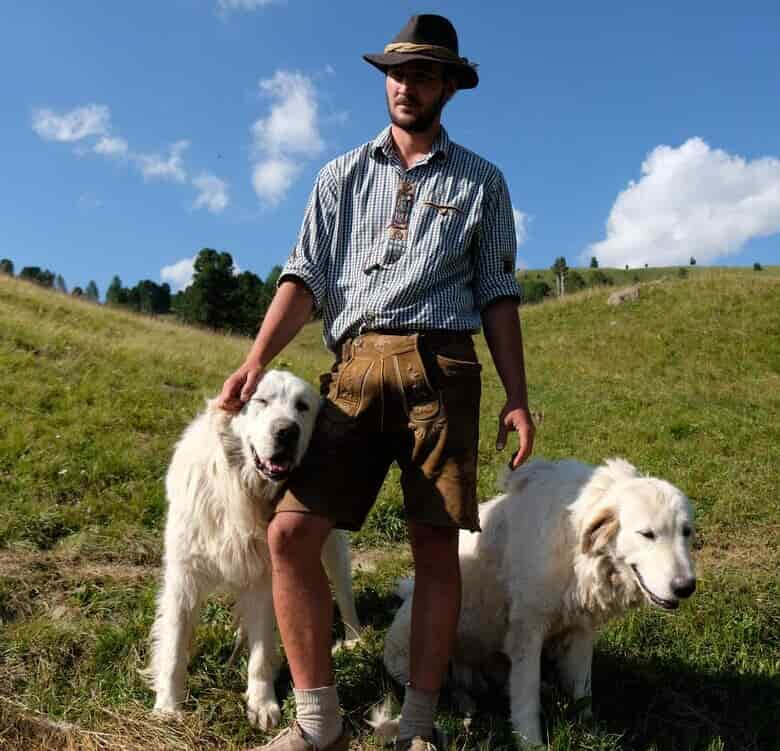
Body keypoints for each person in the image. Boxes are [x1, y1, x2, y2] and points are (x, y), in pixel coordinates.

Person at [218, 14, 535, 751]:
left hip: (443, 367)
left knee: (434, 546)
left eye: (423, 73)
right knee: (291, 534)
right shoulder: (339, 175)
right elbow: (305, 276)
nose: (405, 84)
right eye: (396, 70)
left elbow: (498, 293)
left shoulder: (482, 181)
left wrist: (517, 396)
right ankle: (317, 722)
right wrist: (257, 358)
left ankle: (417, 729)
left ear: (449, 86)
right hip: (353, 370)